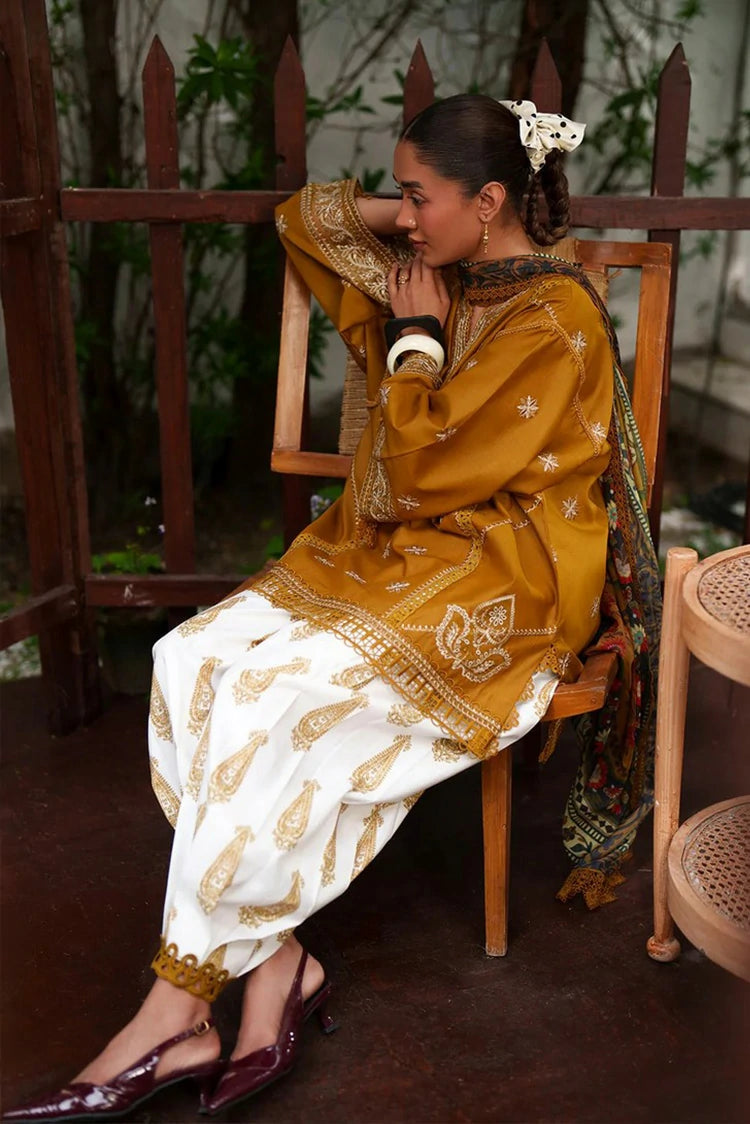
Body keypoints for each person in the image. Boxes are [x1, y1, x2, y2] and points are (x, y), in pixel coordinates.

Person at [4, 94, 660, 1123]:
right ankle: (280, 965)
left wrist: (415, 342)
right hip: (392, 549)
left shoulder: (553, 317)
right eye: (401, 196)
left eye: (419, 196)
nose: (404, 219)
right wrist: (415, 230)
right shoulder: (443, 266)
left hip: (505, 573)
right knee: (190, 659)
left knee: (270, 691)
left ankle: (174, 1011)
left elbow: (417, 471)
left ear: (489, 201)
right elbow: (303, 218)